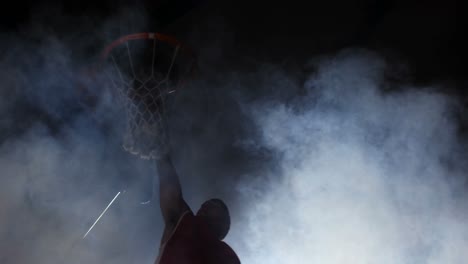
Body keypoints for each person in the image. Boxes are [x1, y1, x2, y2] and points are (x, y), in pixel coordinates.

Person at [154, 152, 241, 264]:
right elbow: (172, 196)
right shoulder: (185, 225)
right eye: (204, 204)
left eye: (214, 204)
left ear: (224, 223)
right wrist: (160, 153)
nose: (204, 205)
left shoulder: (228, 256)